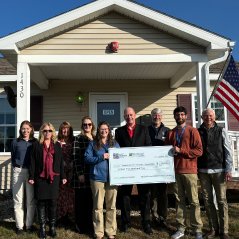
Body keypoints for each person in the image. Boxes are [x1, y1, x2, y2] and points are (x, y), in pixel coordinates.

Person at [165, 106, 203, 239]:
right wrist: (166, 173)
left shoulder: (193, 131)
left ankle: (197, 229)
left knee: (194, 201)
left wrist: (181, 150)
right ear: (174, 116)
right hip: (175, 171)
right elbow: (166, 155)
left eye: (182, 115)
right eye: (177, 115)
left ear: (186, 116)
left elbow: (199, 151)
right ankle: (180, 228)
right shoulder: (170, 133)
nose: (179, 117)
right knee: (179, 200)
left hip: (190, 172)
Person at [115, 107, 153, 236]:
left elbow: (148, 147)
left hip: (141, 169)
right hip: (126, 170)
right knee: (125, 196)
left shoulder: (144, 129)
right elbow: (117, 151)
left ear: (135, 115)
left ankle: (146, 222)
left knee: (145, 196)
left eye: (131, 115)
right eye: (126, 115)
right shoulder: (119, 131)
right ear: (124, 117)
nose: (129, 117)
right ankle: (125, 222)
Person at [197, 109, 233, 239]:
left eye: (210, 116)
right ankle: (213, 229)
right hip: (203, 171)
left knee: (222, 201)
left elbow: (228, 151)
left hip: (219, 171)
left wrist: (229, 169)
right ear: (202, 117)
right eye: (206, 116)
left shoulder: (221, 130)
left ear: (215, 117)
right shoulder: (197, 131)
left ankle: (224, 231)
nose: (208, 118)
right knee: (207, 201)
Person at [29, 123, 67, 239]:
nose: (47, 133)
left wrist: (63, 176)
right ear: (41, 132)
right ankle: (42, 229)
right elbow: (32, 162)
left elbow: (60, 163)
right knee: (40, 203)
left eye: (49, 131)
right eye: (45, 131)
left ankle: (52, 227)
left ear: (52, 132)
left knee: (53, 202)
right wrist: (31, 177)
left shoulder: (56, 145)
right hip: (40, 177)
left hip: (54, 177)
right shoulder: (36, 145)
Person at [85, 121, 119, 239]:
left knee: (111, 206)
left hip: (112, 179)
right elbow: (87, 158)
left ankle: (110, 231)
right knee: (98, 206)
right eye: (101, 129)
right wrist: (101, 157)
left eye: (106, 129)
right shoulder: (93, 144)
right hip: (97, 179)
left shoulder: (114, 144)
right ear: (98, 131)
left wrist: (119, 177)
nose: (103, 131)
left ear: (109, 131)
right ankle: (98, 232)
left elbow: (121, 161)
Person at [11, 120, 37, 235]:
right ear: (20, 130)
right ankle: (20, 226)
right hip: (18, 172)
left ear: (31, 129)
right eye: (23, 128)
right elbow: (13, 157)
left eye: (27, 128)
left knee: (30, 201)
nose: (25, 131)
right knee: (18, 200)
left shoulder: (35, 142)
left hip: (31, 173)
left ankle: (29, 225)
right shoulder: (15, 142)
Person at [72, 116, 96, 234]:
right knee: (81, 202)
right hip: (82, 176)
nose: (87, 126)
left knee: (91, 202)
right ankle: (80, 226)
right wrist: (79, 174)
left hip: (94, 175)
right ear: (82, 126)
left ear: (92, 126)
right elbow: (76, 158)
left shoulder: (96, 139)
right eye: (85, 124)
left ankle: (90, 225)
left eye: (89, 124)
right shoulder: (78, 139)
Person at [148, 108, 170, 228]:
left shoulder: (168, 131)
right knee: (154, 194)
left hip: (163, 168)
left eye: (159, 115)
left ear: (162, 117)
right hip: (151, 168)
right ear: (151, 117)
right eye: (155, 115)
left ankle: (163, 218)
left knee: (163, 194)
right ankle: (155, 218)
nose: (157, 117)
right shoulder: (146, 130)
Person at [57, 122, 75, 223]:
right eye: (64, 129)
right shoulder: (58, 142)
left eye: (68, 129)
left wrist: (72, 164)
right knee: (61, 193)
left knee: (71, 193)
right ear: (61, 130)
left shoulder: (73, 141)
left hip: (72, 170)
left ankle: (69, 214)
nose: (66, 131)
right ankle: (62, 215)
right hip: (61, 171)